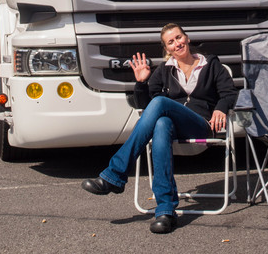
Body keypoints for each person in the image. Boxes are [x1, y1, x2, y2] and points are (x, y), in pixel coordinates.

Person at [81, 23, 237, 234]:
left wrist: (220, 109)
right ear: (167, 49)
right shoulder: (164, 70)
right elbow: (145, 105)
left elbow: (229, 92)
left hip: (202, 125)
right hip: (174, 130)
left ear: (187, 38)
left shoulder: (211, 64)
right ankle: (165, 211)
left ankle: (115, 174)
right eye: (170, 42)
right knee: (162, 122)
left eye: (179, 37)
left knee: (161, 104)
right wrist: (141, 83)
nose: (177, 43)